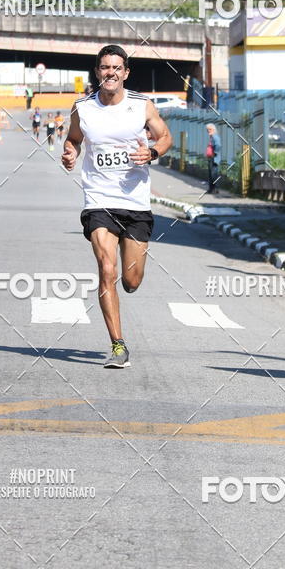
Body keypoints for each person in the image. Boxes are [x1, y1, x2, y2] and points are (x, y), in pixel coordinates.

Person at [62, 45, 172, 369]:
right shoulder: (82, 108)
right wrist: (70, 153)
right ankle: (118, 345)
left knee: (131, 280)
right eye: (104, 67)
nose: (110, 72)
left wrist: (152, 153)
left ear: (125, 73)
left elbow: (165, 137)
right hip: (99, 200)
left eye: (116, 67)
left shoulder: (141, 106)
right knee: (106, 269)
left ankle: (128, 284)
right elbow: (73, 140)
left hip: (135, 203)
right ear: (98, 72)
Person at [205, 123, 221, 194]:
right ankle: (211, 189)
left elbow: (218, 145)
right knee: (211, 174)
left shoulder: (215, 137)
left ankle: (215, 189)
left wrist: (215, 153)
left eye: (210, 129)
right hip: (211, 157)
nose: (208, 131)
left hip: (214, 158)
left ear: (214, 130)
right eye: (207, 130)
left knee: (213, 174)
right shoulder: (212, 137)